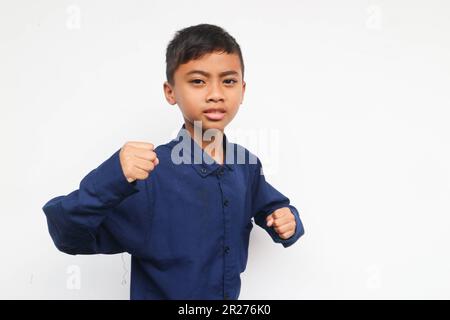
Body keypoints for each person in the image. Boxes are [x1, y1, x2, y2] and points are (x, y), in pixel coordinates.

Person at [42, 23, 305, 300]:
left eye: (228, 81)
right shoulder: (147, 174)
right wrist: (113, 175)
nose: (215, 93)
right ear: (171, 92)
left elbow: (274, 208)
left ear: (243, 89)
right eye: (198, 81)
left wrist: (288, 221)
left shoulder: (246, 165)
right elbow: (67, 234)